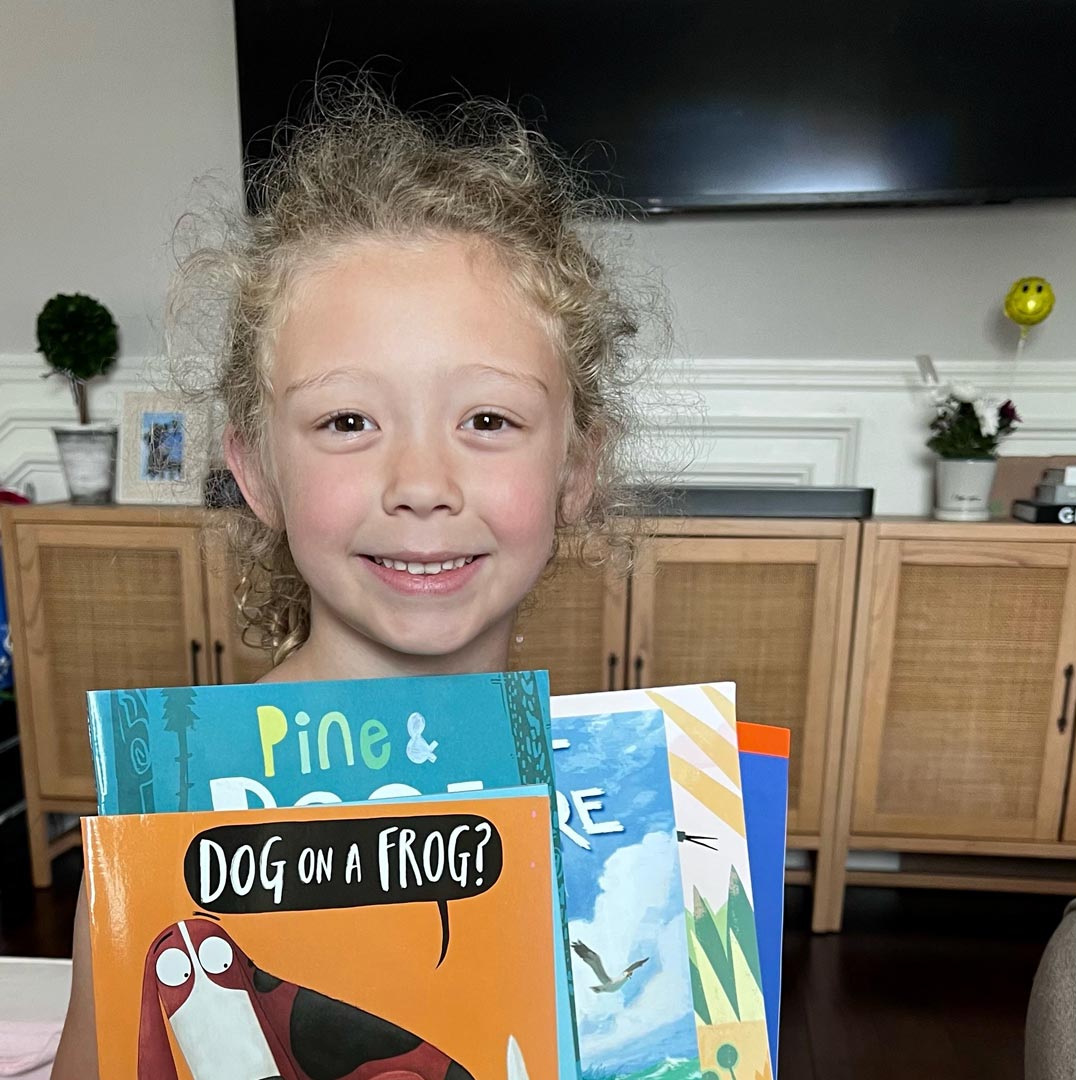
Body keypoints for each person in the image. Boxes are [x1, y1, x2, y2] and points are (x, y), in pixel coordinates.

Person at [51, 87, 658, 1077]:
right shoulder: (163, 826)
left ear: (576, 471)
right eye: (347, 423)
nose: (421, 485)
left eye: (489, 421)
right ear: (255, 472)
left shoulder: (627, 828)